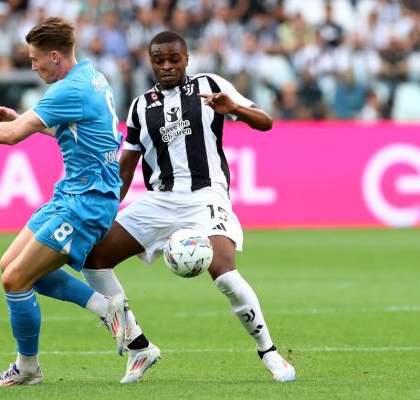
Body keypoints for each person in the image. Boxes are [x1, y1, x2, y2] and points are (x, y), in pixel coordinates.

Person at [81, 30, 297, 383]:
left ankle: (269, 352)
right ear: (149, 62)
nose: (166, 66)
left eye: (174, 59)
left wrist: (236, 109)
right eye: (158, 60)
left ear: (186, 59)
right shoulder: (139, 106)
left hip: (206, 196)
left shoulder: (210, 85)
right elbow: (126, 167)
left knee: (225, 272)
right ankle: (138, 346)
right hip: (159, 200)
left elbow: (266, 122)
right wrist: (106, 212)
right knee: (92, 258)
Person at [0, 17, 129, 387]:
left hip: (87, 200)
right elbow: (76, 128)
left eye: (35, 60)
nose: (33, 67)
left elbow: (10, 137)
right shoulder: (92, 77)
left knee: (16, 279)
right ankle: (105, 307)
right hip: (72, 192)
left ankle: (28, 368)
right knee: (10, 266)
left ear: (55, 56)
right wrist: (28, 119)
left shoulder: (68, 90)